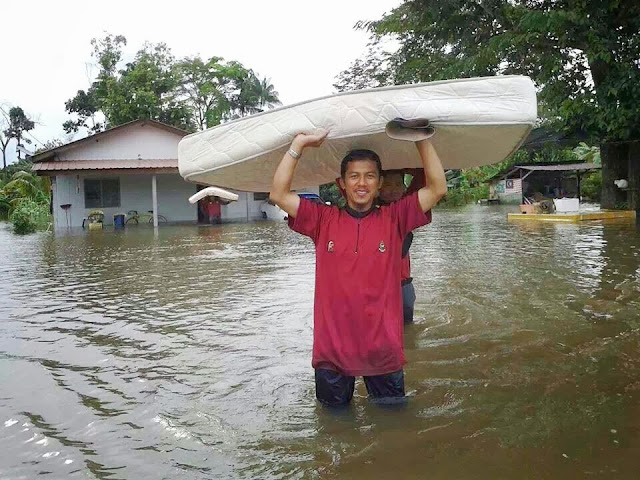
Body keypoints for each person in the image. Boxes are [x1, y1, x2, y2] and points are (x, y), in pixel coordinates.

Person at [269, 130, 447, 407]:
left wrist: (420, 138)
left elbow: (438, 189)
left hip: (383, 350)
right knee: (333, 428)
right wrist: (298, 145)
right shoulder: (321, 219)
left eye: (370, 176)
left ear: (378, 184)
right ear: (342, 184)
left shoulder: (395, 218)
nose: (361, 183)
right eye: (354, 176)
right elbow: (278, 194)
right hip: (332, 352)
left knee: (392, 425)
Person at [377, 169, 426, 324]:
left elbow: (422, 178)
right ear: (378, 186)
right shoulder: (365, 210)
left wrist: (404, 164)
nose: (393, 189)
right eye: (388, 184)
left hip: (404, 286)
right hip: (377, 287)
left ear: (404, 188)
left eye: (398, 184)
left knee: (407, 334)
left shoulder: (408, 208)